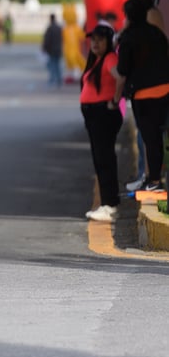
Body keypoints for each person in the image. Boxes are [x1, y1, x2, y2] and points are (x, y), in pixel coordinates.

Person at [112, 0, 169, 192]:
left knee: (149, 138)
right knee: (158, 137)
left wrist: (115, 99)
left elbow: (122, 71)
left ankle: (154, 180)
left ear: (128, 16)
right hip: (164, 90)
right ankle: (154, 178)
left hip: (143, 95)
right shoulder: (157, 34)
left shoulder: (128, 38)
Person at [80, 23, 123, 222]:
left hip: (103, 115)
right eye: (93, 40)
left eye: (100, 39)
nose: (95, 43)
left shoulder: (109, 59)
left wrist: (115, 100)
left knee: (104, 158)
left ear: (108, 41)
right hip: (94, 116)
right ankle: (108, 203)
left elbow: (120, 77)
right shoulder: (97, 61)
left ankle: (110, 204)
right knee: (100, 158)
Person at [42, 13, 63, 88]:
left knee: (52, 65)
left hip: (52, 49)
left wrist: (44, 48)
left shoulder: (50, 28)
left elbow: (47, 39)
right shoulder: (59, 27)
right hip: (59, 49)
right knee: (57, 64)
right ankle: (59, 79)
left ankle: (52, 79)